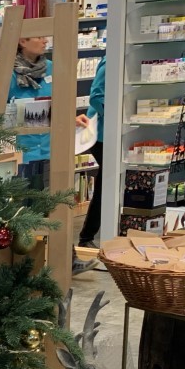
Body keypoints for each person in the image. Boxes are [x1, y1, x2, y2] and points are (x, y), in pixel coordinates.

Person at [6, 35, 53, 189]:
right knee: (22, 201)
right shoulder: (8, 72)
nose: (45, 41)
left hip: (50, 152)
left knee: (49, 201)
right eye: (39, 37)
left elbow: (61, 103)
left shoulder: (52, 68)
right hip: (21, 155)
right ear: (22, 41)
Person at [76, 57, 106, 248]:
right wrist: (116, 116)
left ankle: (87, 236)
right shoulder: (110, 61)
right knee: (107, 183)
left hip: (110, 133)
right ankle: (86, 237)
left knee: (106, 183)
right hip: (101, 134)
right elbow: (96, 96)